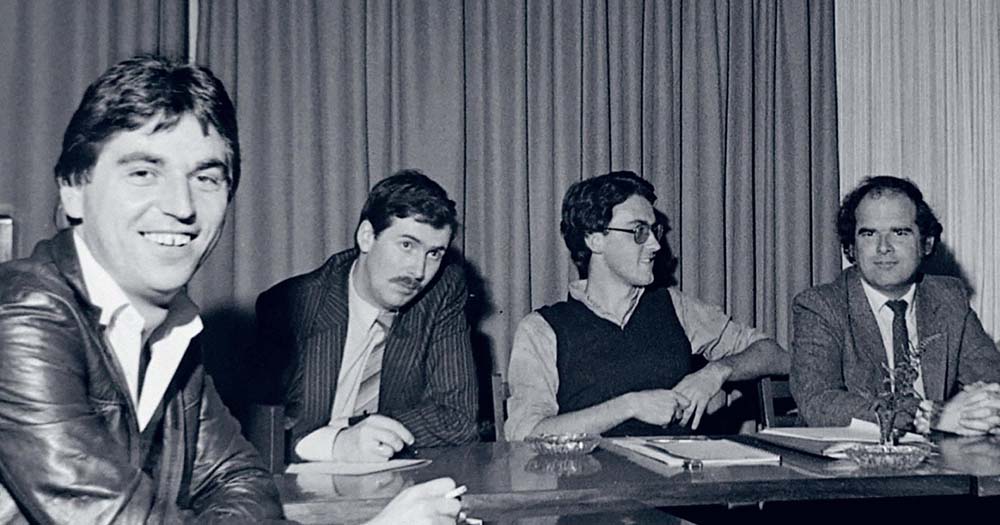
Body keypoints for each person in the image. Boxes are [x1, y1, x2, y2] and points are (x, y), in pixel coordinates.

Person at [0, 55, 285, 523]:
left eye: (206, 178)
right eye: (143, 172)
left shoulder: (172, 335)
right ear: (74, 189)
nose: (181, 206)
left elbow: (246, 485)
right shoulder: (23, 313)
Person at [505, 171, 789, 440]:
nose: (655, 244)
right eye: (638, 231)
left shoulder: (675, 306)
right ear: (594, 240)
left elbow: (775, 355)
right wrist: (629, 406)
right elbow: (526, 434)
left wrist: (716, 372)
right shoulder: (542, 329)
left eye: (654, 230)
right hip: (588, 487)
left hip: (679, 484)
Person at [253, 170, 478, 463]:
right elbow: (262, 429)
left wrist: (354, 433)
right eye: (407, 245)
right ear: (367, 237)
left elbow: (458, 419)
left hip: (389, 483)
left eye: (434, 253)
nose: (419, 271)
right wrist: (336, 445)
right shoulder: (293, 305)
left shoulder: (442, 292)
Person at [791, 175, 1000, 435]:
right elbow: (819, 403)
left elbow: (991, 379)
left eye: (899, 233)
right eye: (869, 234)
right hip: (845, 463)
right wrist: (929, 416)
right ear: (851, 248)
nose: (883, 248)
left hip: (938, 463)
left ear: (927, 243)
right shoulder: (820, 306)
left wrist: (986, 408)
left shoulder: (949, 298)